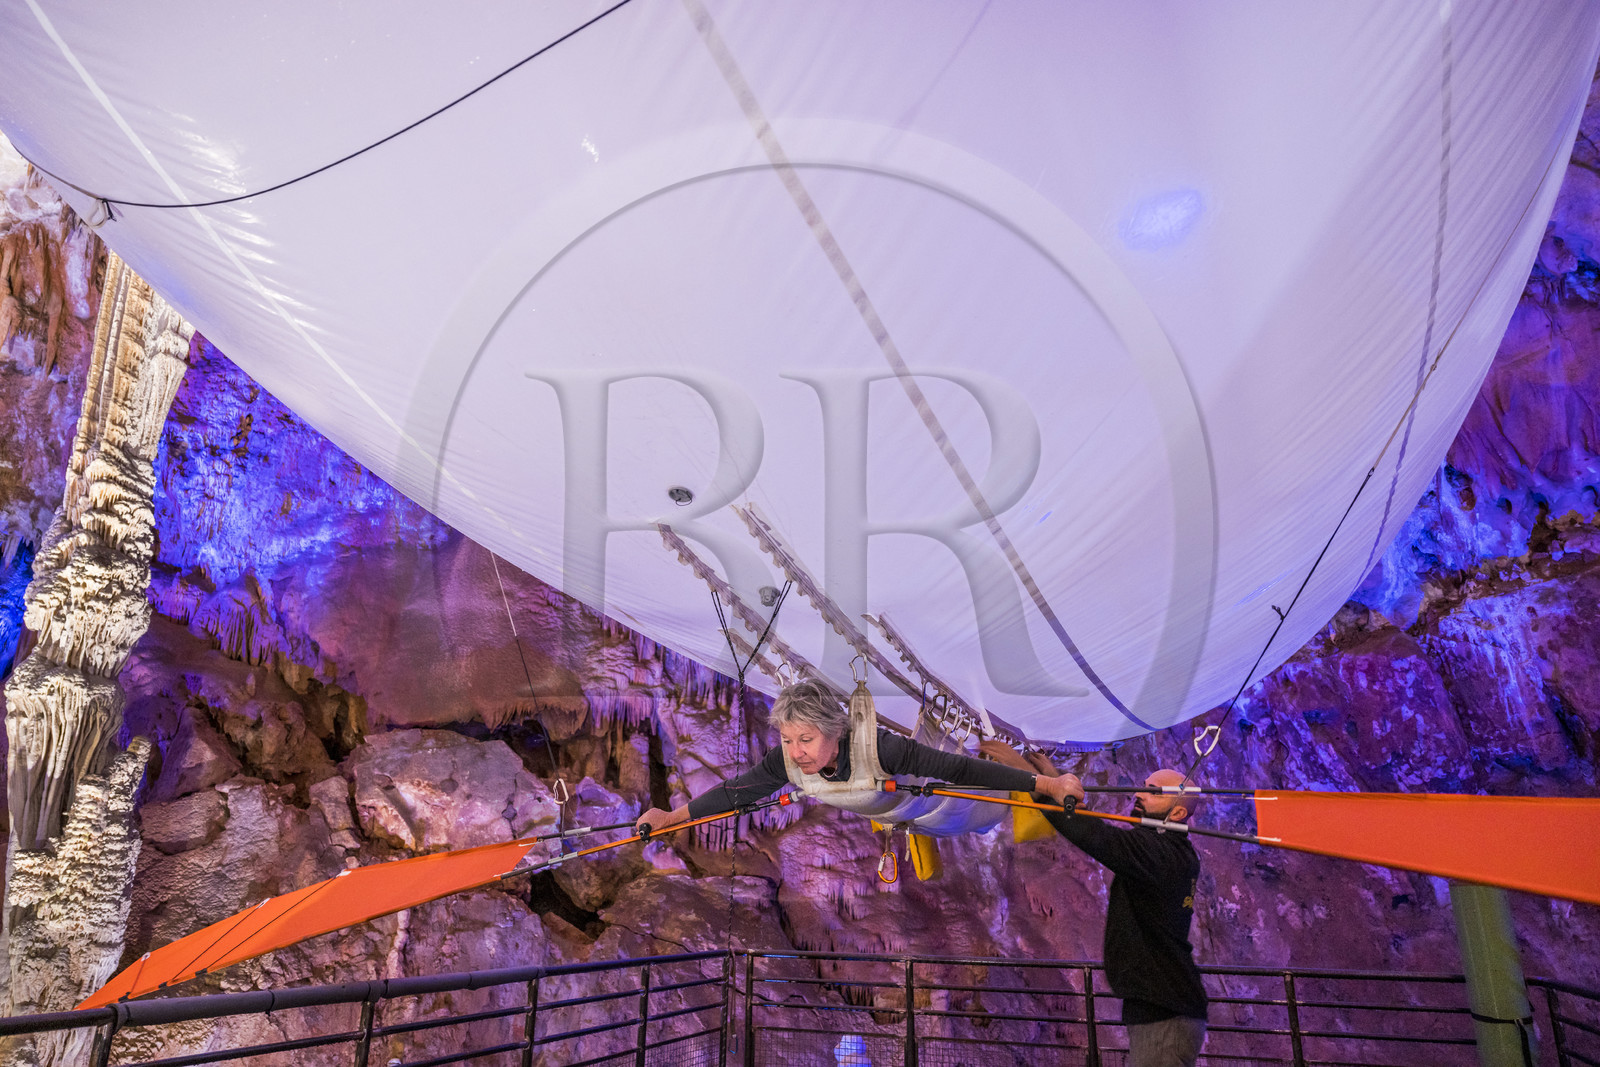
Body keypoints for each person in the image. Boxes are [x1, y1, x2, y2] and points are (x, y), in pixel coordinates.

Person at [981, 742, 1208, 1067]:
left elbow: (1094, 835)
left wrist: (1032, 780)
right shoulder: (1171, 852)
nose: (1139, 795)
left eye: (1154, 792)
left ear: (1178, 813)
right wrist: (1055, 779)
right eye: (1143, 787)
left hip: (1164, 1013)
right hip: (1164, 1009)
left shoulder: (1159, 855)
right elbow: (1096, 829)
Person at [637, 680, 1079, 835]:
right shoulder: (786, 762)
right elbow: (735, 793)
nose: (796, 752)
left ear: (835, 729)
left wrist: (1048, 785)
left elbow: (959, 769)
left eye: (805, 739)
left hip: (951, 803)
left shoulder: (881, 747)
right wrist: (672, 818)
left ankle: (1039, 774)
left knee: (967, 795)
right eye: (788, 740)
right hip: (903, 816)